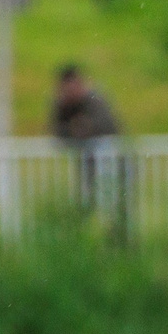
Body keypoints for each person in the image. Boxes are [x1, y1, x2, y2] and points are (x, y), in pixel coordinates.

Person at [49, 64, 127, 227]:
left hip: (114, 163)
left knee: (116, 204)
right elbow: (57, 132)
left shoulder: (95, 99)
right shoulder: (62, 104)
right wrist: (74, 129)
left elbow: (110, 126)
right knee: (88, 202)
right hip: (88, 164)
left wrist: (85, 127)